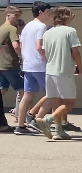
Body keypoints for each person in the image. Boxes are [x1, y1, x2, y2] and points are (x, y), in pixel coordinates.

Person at [34, 7, 81, 140]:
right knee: (70, 102)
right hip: (64, 70)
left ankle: (59, 131)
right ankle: (48, 120)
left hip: (50, 71)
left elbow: (46, 53)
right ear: (65, 16)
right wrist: (80, 67)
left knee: (56, 101)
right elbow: (75, 51)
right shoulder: (70, 31)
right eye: (71, 14)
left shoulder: (48, 33)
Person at [16, 2, 52, 134]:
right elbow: (39, 46)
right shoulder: (41, 26)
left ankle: (20, 125)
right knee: (52, 94)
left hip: (28, 65)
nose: (50, 14)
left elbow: (21, 45)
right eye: (48, 11)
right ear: (41, 12)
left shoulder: (27, 27)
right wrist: (47, 60)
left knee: (27, 95)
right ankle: (37, 120)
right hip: (39, 65)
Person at [0, 7, 23, 111]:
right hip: (11, 64)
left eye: (19, 16)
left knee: (2, 89)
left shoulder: (0, 29)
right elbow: (16, 45)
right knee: (22, 90)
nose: (18, 18)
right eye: (16, 16)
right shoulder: (12, 29)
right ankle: (20, 114)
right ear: (8, 15)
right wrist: (21, 56)